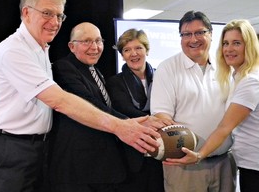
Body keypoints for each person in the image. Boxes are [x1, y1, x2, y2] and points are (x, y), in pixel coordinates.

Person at [0, 0, 162, 192]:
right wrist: (121, 127)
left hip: (36, 147)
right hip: (10, 147)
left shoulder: (41, 48)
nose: (55, 22)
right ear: (26, 13)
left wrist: (126, 122)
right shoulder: (15, 50)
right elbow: (60, 101)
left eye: (59, 15)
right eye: (47, 13)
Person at [48, 22, 165, 192]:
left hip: (98, 165)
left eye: (98, 41)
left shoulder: (95, 72)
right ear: (72, 46)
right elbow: (88, 103)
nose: (94, 47)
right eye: (86, 41)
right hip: (77, 167)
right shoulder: (64, 67)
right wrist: (131, 123)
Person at [165, 19, 259, 192]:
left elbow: (225, 127)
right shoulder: (237, 77)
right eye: (226, 43)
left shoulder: (250, 82)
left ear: (249, 46)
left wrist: (200, 154)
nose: (229, 49)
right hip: (248, 163)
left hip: (254, 166)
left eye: (237, 43)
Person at [150, 10, 237, 192]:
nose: (193, 39)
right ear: (180, 37)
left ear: (211, 34)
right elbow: (161, 116)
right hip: (185, 166)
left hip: (224, 161)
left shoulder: (226, 67)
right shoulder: (168, 69)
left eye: (200, 32)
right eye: (186, 34)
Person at [106, 28, 165, 191]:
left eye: (138, 48)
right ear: (122, 55)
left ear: (147, 50)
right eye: (127, 50)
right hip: (132, 156)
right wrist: (153, 121)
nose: (133, 54)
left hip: (163, 152)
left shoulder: (162, 77)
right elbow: (124, 110)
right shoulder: (114, 82)